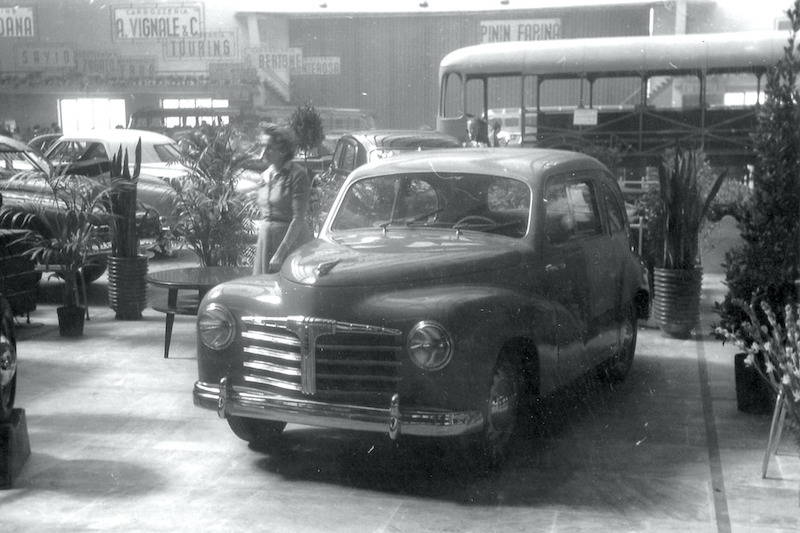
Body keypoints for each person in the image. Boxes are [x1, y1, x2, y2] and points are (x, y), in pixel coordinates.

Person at [252, 126, 314, 275]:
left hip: (289, 244)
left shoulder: (297, 175)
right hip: (266, 241)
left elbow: (298, 218)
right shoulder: (265, 176)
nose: (263, 152)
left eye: (269, 148)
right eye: (262, 147)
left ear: (283, 150)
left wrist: (280, 253)